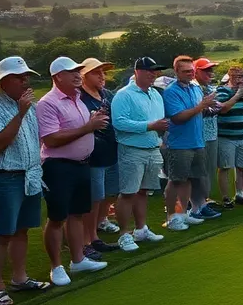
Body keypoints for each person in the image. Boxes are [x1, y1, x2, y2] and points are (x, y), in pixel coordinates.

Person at [0, 56, 51, 305]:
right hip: (6, 177)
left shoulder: (28, 106)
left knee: (22, 231)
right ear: (4, 81)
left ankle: (20, 278)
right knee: (3, 234)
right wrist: (19, 114)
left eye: (26, 76)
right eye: (20, 77)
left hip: (30, 175)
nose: (25, 81)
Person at [37, 57, 109, 284]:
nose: (78, 75)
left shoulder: (77, 98)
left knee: (77, 214)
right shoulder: (48, 103)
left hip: (81, 164)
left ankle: (78, 260)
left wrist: (90, 123)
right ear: (58, 76)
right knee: (57, 218)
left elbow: (79, 129)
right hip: (58, 166)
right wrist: (88, 127)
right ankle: (56, 266)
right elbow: (51, 139)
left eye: (78, 71)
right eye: (72, 72)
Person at [110, 57, 170, 252]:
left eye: (155, 71)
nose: (154, 74)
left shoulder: (155, 94)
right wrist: (150, 126)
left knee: (143, 191)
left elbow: (158, 120)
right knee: (128, 192)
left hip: (152, 149)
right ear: (138, 71)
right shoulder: (124, 95)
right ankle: (123, 234)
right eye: (149, 71)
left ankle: (141, 229)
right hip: (131, 150)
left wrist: (157, 131)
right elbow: (119, 123)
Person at [162, 56, 218, 231]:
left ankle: (184, 213)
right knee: (175, 180)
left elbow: (198, 112)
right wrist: (202, 106)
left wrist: (206, 108)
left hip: (197, 141)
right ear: (176, 71)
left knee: (190, 179)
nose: (190, 74)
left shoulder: (194, 88)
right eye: (186, 71)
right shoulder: (171, 91)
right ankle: (172, 217)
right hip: (180, 143)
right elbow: (178, 118)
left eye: (191, 71)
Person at [77, 58, 121, 257]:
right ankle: (91, 238)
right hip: (93, 155)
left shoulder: (107, 94)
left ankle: (98, 226)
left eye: (103, 72)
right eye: (97, 73)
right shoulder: (80, 97)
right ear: (84, 76)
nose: (102, 76)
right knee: (95, 198)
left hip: (111, 151)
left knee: (110, 193)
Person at [216, 66, 243, 207]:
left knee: (242, 166)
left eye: (242, 77)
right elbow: (223, 109)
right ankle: (226, 197)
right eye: (237, 77)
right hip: (226, 136)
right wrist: (238, 94)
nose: (240, 80)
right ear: (230, 77)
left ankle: (240, 193)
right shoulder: (222, 90)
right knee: (225, 166)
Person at [191, 57, 223, 217]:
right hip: (199, 135)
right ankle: (198, 205)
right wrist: (210, 107)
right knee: (199, 172)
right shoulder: (194, 88)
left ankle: (203, 201)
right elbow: (205, 110)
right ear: (195, 71)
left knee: (208, 170)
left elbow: (217, 107)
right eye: (206, 70)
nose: (210, 73)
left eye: (211, 69)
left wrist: (212, 107)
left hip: (211, 133)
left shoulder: (208, 88)